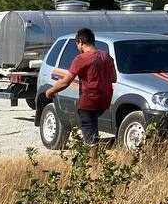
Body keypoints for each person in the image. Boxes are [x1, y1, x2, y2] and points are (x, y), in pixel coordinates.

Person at [44, 27, 116, 157]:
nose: (78, 47)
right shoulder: (107, 57)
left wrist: (50, 91)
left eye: (77, 44)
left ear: (81, 42)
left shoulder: (81, 59)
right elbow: (114, 78)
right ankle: (86, 157)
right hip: (104, 100)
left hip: (89, 100)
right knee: (91, 128)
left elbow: (65, 82)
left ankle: (93, 164)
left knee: (90, 135)